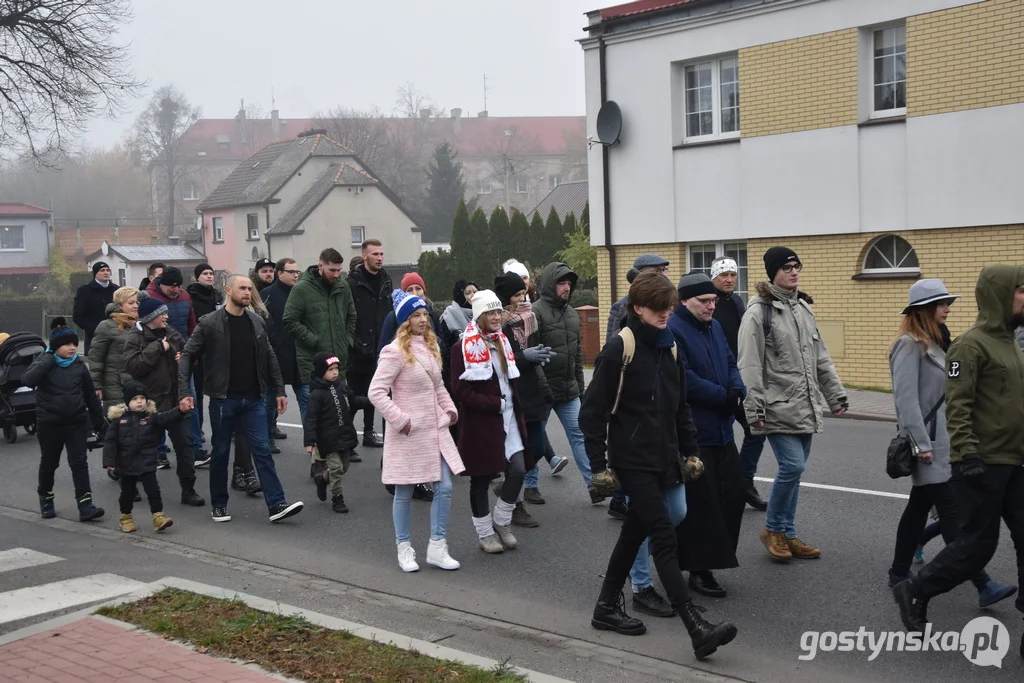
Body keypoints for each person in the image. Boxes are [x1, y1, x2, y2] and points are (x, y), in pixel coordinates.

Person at [579, 272, 737, 660]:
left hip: (665, 456)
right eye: (657, 308)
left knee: (636, 531)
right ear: (638, 308)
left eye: (669, 306)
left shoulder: (670, 347)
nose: (666, 313)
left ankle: (604, 608)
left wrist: (691, 450)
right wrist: (599, 467)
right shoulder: (620, 348)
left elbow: (680, 406)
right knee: (663, 534)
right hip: (632, 461)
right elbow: (591, 413)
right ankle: (695, 628)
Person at [893, 266, 1024, 641]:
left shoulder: (994, 342)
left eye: (949, 302)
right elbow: (918, 401)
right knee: (971, 537)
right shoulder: (937, 345)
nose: (948, 308)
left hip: (998, 456)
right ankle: (919, 585)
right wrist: (927, 447)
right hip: (960, 452)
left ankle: (908, 575)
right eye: (942, 303)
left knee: (932, 515)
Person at [737, 247, 848, 562]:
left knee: (796, 472)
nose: (794, 271)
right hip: (775, 406)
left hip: (805, 404)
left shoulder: (802, 308)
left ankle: (787, 531)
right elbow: (749, 366)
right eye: (787, 267)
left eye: (797, 266)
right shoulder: (758, 313)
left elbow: (820, 357)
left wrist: (835, 395)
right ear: (773, 272)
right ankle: (772, 528)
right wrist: (754, 409)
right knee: (792, 466)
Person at [179, 275, 304, 524]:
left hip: (255, 400)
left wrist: (279, 390)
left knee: (263, 452)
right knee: (222, 453)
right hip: (224, 400)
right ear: (228, 290)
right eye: (243, 288)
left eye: (250, 289)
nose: (248, 293)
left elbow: (270, 357)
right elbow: (186, 355)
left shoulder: (256, 321)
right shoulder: (209, 323)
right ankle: (219, 504)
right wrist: (185, 391)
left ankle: (277, 504)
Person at [369, 290, 464, 572]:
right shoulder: (393, 352)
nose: (423, 319)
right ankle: (404, 548)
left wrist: (449, 410)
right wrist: (402, 419)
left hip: (435, 430)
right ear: (404, 321)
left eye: (425, 314)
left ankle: (437, 546)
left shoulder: (430, 347)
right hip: (408, 433)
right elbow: (376, 392)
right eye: (416, 315)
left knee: (445, 487)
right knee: (404, 492)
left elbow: (437, 386)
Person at [670, 272, 745, 598]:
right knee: (703, 503)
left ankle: (718, 557)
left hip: (722, 428)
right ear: (685, 301)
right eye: (704, 301)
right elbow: (683, 378)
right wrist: (721, 396)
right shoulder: (674, 330)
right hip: (696, 431)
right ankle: (698, 570)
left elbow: (730, 361)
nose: (712, 306)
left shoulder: (713, 327)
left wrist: (737, 389)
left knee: (735, 494)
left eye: (713, 300)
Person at [450, 289, 534, 553]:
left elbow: (510, 380)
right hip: (481, 424)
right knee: (481, 479)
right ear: (480, 315)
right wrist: (493, 404)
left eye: (498, 311)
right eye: (491, 312)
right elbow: (460, 391)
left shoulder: (503, 341)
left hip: (510, 419)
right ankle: (485, 534)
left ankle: (502, 522)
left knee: (519, 469)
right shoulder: (461, 347)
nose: (497, 317)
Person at [123, 298, 205, 507]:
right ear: (151, 317)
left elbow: (187, 352)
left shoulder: (171, 332)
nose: (166, 317)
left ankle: (188, 490)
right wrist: (157, 348)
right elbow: (134, 367)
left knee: (185, 448)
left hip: (176, 401)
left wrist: (182, 358)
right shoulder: (135, 337)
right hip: (151, 404)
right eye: (162, 314)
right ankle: (131, 488)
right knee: (141, 449)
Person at [24, 322, 105, 522]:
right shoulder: (45, 361)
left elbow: (90, 397)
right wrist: (48, 359)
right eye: (67, 344)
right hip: (50, 424)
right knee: (49, 463)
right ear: (55, 346)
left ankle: (86, 506)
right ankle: (46, 500)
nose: (72, 348)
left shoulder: (79, 365)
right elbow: (28, 380)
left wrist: (100, 423)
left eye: (74, 343)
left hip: (76, 423)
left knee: (79, 464)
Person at [534, 262, 599, 503]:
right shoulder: (535, 312)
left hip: (568, 389)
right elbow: (532, 354)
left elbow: (578, 354)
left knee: (579, 435)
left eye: (569, 284)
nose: (567, 288)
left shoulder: (572, 314)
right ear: (551, 285)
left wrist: (580, 389)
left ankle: (594, 486)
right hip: (542, 392)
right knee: (535, 438)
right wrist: (543, 388)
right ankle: (531, 486)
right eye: (562, 283)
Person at [494, 272, 553, 525]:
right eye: (517, 295)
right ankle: (515, 506)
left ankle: (507, 488)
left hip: (533, 390)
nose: (522, 298)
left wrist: (540, 355)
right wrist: (522, 357)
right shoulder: (499, 323)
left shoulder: (530, 319)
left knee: (538, 448)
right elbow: (500, 361)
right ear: (505, 298)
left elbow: (535, 349)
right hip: (512, 394)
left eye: (523, 293)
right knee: (516, 454)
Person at [710, 256, 767, 512]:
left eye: (733, 275)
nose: (729, 279)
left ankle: (744, 482)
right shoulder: (709, 304)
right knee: (718, 441)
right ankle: (720, 487)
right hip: (716, 384)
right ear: (714, 278)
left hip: (739, 380)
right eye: (724, 275)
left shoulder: (736, 301)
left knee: (756, 430)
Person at [283, 247, 357, 432]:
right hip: (313, 360)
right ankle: (316, 448)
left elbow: (352, 315)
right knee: (316, 409)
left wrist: (346, 339)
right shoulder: (301, 289)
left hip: (338, 358)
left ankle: (342, 445)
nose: (336, 274)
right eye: (332, 270)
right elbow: (290, 320)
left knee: (340, 405)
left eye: (339, 270)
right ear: (320, 266)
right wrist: (313, 340)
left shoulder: (342, 286)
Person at [103, 380, 184, 534]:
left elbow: (166, 417)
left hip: (147, 462)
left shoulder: (151, 417)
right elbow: (110, 442)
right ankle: (126, 517)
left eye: (142, 398)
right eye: (134, 399)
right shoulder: (119, 420)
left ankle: (158, 516)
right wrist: (109, 462)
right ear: (127, 402)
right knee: (127, 494)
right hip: (126, 465)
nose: (139, 402)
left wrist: (180, 410)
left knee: (153, 491)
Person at [303, 352, 371, 513]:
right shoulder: (316, 395)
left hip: (345, 435)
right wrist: (309, 442)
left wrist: (373, 401)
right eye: (330, 369)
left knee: (344, 466)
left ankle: (322, 479)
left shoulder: (342, 387)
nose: (335, 372)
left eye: (336, 369)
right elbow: (311, 419)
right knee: (336, 468)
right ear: (321, 372)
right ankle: (337, 498)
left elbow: (354, 401)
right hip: (328, 440)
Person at [348, 239, 392, 449]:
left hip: (380, 347)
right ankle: (346, 438)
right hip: (358, 349)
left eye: (382, 254)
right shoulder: (352, 282)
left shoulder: (386, 279)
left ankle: (368, 432)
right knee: (356, 397)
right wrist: (355, 342)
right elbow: (347, 316)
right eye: (375, 254)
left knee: (376, 392)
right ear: (364, 256)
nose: (380, 258)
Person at [262, 258, 307, 440]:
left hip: (300, 355)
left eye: (297, 272)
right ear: (280, 273)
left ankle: (311, 441)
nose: (296, 275)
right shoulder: (267, 295)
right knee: (271, 399)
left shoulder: (302, 293)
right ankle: (267, 436)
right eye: (291, 272)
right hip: (276, 355)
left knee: (306, 398)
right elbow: (263, 326)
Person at [187, 263, 223, 463]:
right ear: (197, 277)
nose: (209, 277)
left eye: (211, 273)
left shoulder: (217, 296)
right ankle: (198, 429)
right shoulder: (191, 296)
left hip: (216, 348)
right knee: (198, 393)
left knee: (219, 391)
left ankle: (223, 428)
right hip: (200, 350)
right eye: (205, 274)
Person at [88, 287, 140, 412]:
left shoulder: (142, 324)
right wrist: (96, 386)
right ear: (119, 305)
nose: (136, 306)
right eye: (131, 303)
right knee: (119, 423)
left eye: (138, 303)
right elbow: (96, 358)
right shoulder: (106, 326)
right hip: (115, 384)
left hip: (138, 382)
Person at [605, 254, 670, 345]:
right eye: (657, 271)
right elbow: (611, 342)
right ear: (638, 274)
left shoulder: (670, 302)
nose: (663, 275)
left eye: (663, 270)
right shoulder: (621, 306)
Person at [73, 261, 119, 354]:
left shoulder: (116, 290)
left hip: (116, 336)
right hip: (94, 338)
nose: (106, 273)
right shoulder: (84, 291)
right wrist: (94, 328)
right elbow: (78, 316)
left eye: (107, 270)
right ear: (95, 273)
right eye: (102, 270)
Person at [439, 280, 478, 390]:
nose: (473, 296)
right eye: (468, 293)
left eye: (475, 292)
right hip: (458, 371)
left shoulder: (482, 313)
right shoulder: (449, 316)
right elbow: (446, 349)